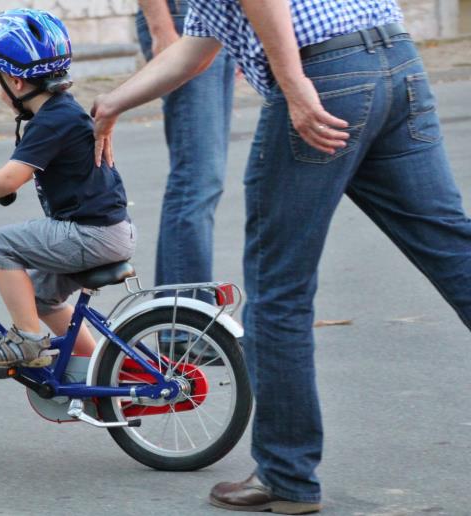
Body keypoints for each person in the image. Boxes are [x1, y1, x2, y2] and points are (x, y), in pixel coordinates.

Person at [91, 0, 471, 513]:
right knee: (452, 248)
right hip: (395, 60)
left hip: (322, 74)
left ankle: (286, 475)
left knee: (278, 290)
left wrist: (293, 87)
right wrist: (113, 102)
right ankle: (285, 472)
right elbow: (196, 53)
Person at [0, 8, 136, 368]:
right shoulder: (59, 113)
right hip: (107, 231)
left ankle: (26, 339)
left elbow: (11, 177)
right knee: (40, 297)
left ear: (16, 82)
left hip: (91, 234)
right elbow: (17, 174)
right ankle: (93, 368)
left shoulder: (52, 121)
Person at [136, 0, 234, 301]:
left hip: (220, 20)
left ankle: (177, 319)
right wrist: (160, 25)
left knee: (200, 182)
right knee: (197, 181)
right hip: (182, 18)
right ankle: (185, 325)